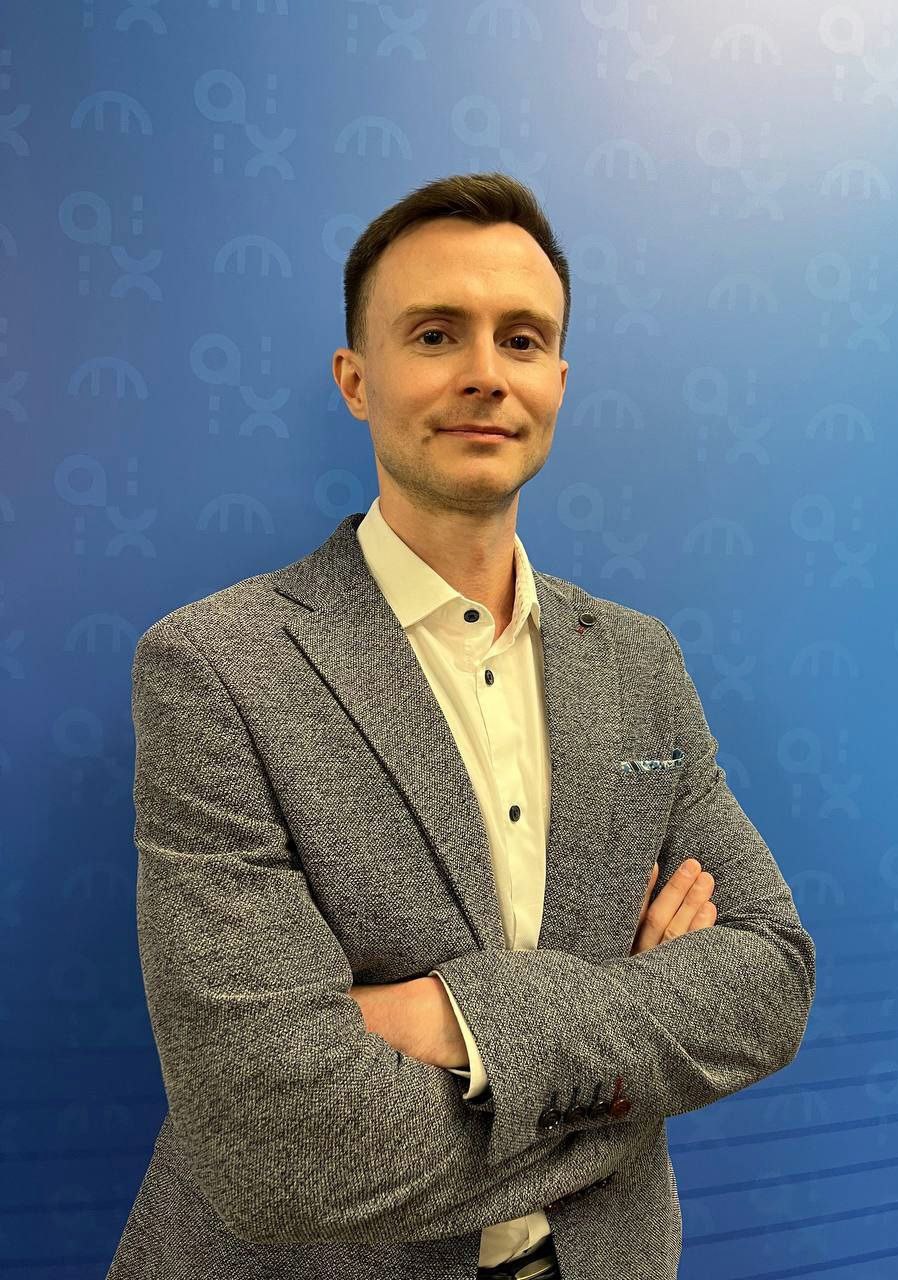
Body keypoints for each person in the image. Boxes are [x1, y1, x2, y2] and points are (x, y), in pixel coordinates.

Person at [107, 171, 815, 1280]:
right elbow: (272, 1145)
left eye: (522, 340)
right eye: (436, 334)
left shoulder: (639, 662)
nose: (486, 372)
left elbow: (769, 978)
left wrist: (443, 1017)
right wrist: (632, 1069)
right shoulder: (216, 668)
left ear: (558, 381)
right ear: (356, 379)